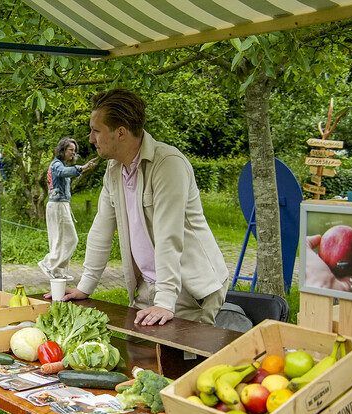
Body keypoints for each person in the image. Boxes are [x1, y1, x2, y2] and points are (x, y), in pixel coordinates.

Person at [60, 89, 228, 326]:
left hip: (189, 290)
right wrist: (85, 286)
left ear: (120, 133)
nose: (90, 138)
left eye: (96, 130)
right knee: (140, 359)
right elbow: (101, 230)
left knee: (182, 362)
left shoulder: (168, 165)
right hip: (149, 286)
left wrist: (165, 301)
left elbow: (168, 236)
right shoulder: (114, 169)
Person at [38, 137, 96, 280]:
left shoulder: (59, 164)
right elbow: (64, 172)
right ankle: (48, 264)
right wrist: (82, 168)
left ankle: (57, 271)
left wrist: (82, 169)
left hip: (59, 205)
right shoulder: (57, 165)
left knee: (60, 239)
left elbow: (66, 173)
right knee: (69, 239)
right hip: (58, 206)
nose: (73, 153)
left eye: (74, 151)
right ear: (62, 150)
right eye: (71, 150)